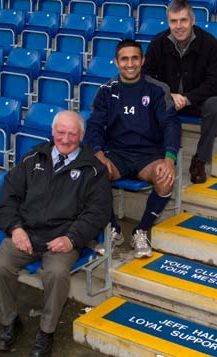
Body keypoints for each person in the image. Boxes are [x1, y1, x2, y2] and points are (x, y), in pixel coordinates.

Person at [0, 111, 111, 357]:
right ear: (52, 132)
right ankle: (10, 321)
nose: (65, 139)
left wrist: (72, 238)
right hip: (28, 232)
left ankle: (46, 331)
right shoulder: (32, 159)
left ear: (82, 135)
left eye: (72, 134)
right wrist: (15, 229)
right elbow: (7, 197)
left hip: (64, 239)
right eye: (61, 132)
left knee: (55, 273)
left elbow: (97, 213)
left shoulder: (94, 170)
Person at [83, 39, 181, 259]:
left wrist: (169, 158)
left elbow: (170, 124)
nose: (130, 64)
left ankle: (141, 230)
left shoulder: (157, 89)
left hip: (149, 156)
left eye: (135, 58)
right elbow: (94, 126)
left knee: (165, 178)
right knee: (94, 172)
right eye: (124, 59)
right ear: (116, 62)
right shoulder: (106, 91)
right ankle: (113, 230)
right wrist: (98, 154)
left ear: (142, 61)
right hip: (116, 154)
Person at [143, 0, 217, 184]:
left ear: (193, 20)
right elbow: (146, 76)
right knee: (143, 99)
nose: (178, 26)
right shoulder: (158, 42)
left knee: (216, 105)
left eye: (183, 20)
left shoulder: (209, 43)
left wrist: (187, 98)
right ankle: (153, 156)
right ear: (168, 22)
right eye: (174, 21)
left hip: (196, 101)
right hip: (167, 100)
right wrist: (167, 94)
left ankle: (200, 160)